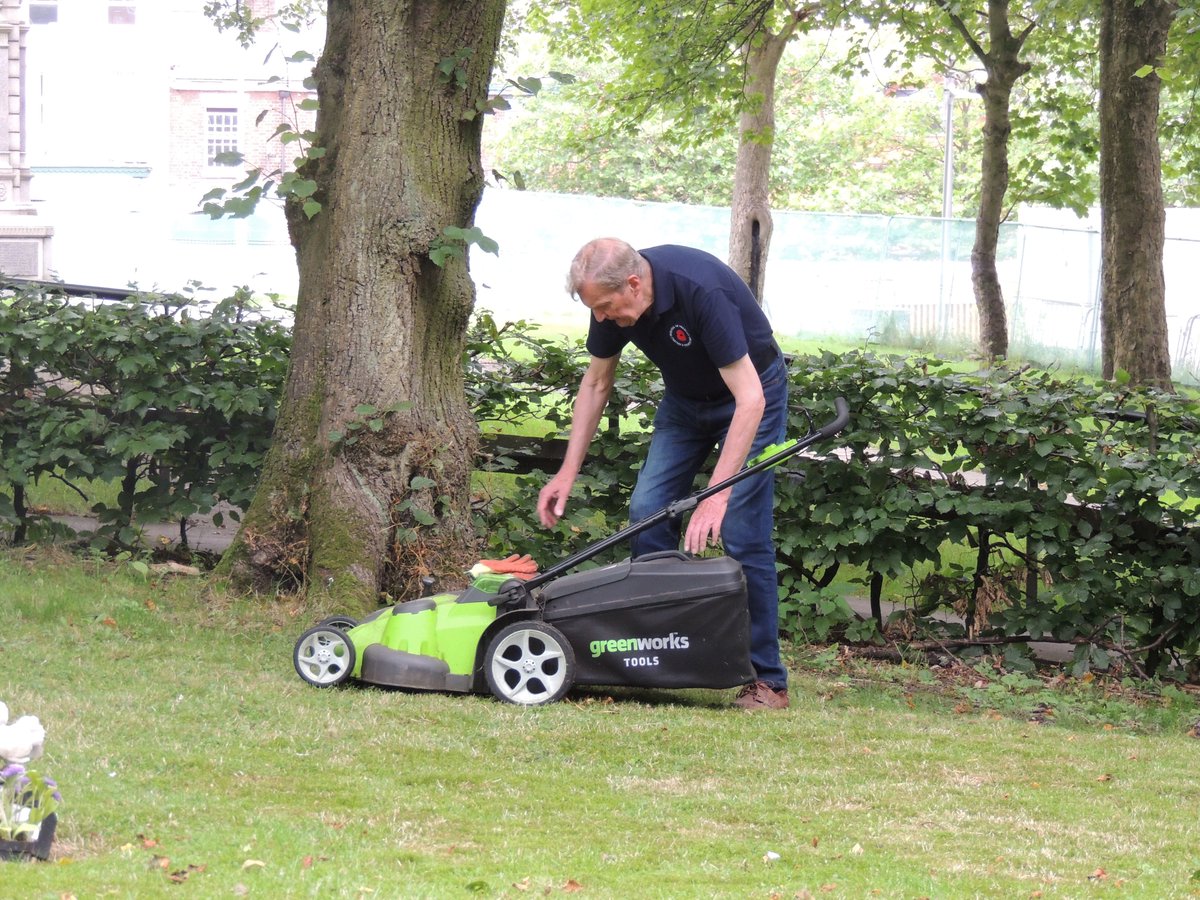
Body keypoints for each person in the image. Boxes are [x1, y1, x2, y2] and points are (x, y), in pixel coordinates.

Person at [536, 238, 791, 711]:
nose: (603, 319)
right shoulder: (609, 302)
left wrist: (717, 495)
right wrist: (567, 472)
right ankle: (660, 653)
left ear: (634, 284)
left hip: (754, 395)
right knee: (648, 512)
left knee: (741, 531)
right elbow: (596, 382)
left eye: (608, 308)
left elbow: (750, 399)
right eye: (597, 310)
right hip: (686, 403)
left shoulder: (699, 290)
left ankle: (768, 681)